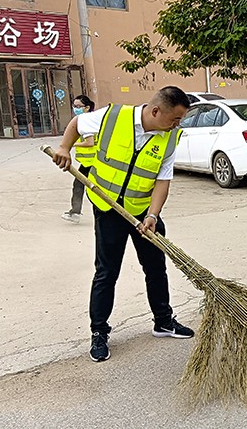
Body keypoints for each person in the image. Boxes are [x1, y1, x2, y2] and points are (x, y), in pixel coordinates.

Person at [51, 86, 194, 362]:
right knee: (106, 272)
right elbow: (77, 123)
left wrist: (152, 215)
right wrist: (64, 148)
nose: (177, 125)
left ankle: (163, 321)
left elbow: (163, 180)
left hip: (142, 210)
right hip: (108, 208)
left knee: (156, 268)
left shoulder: (169, 138)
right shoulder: (113, 117)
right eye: (174, 119)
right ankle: (99, 333)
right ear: (155, 111)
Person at [60, 95, 96, 224]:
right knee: (81, 186)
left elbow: (90, 142)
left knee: (80, 186)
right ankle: (75, 212)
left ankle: (75, 213)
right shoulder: (88, 119)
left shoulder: (86, 121)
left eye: (79, 106)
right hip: (90, 162)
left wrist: (72, 144)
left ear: (87, 107)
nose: (76, 109)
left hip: (91, 162)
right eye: (74, 106)